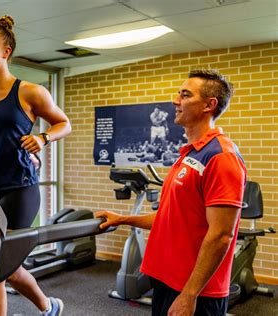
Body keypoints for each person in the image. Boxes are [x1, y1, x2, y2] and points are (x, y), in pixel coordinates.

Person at [96, 70, 246, 316]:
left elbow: (221, 235)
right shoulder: (190, 153)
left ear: (209, 105)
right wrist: (122, 219)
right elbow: (170, 219)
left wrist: (189, 295)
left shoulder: (221, 156)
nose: (175, 101)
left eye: (185, 95)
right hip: (168, 280)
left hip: (194, 291)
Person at [0, 15, 71, 316]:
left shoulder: (29, 92)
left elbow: (64, 123)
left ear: (5, 52)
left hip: (20, 189)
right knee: (7, 268)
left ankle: (47, 306)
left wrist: (44, 138)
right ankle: (49, 306)